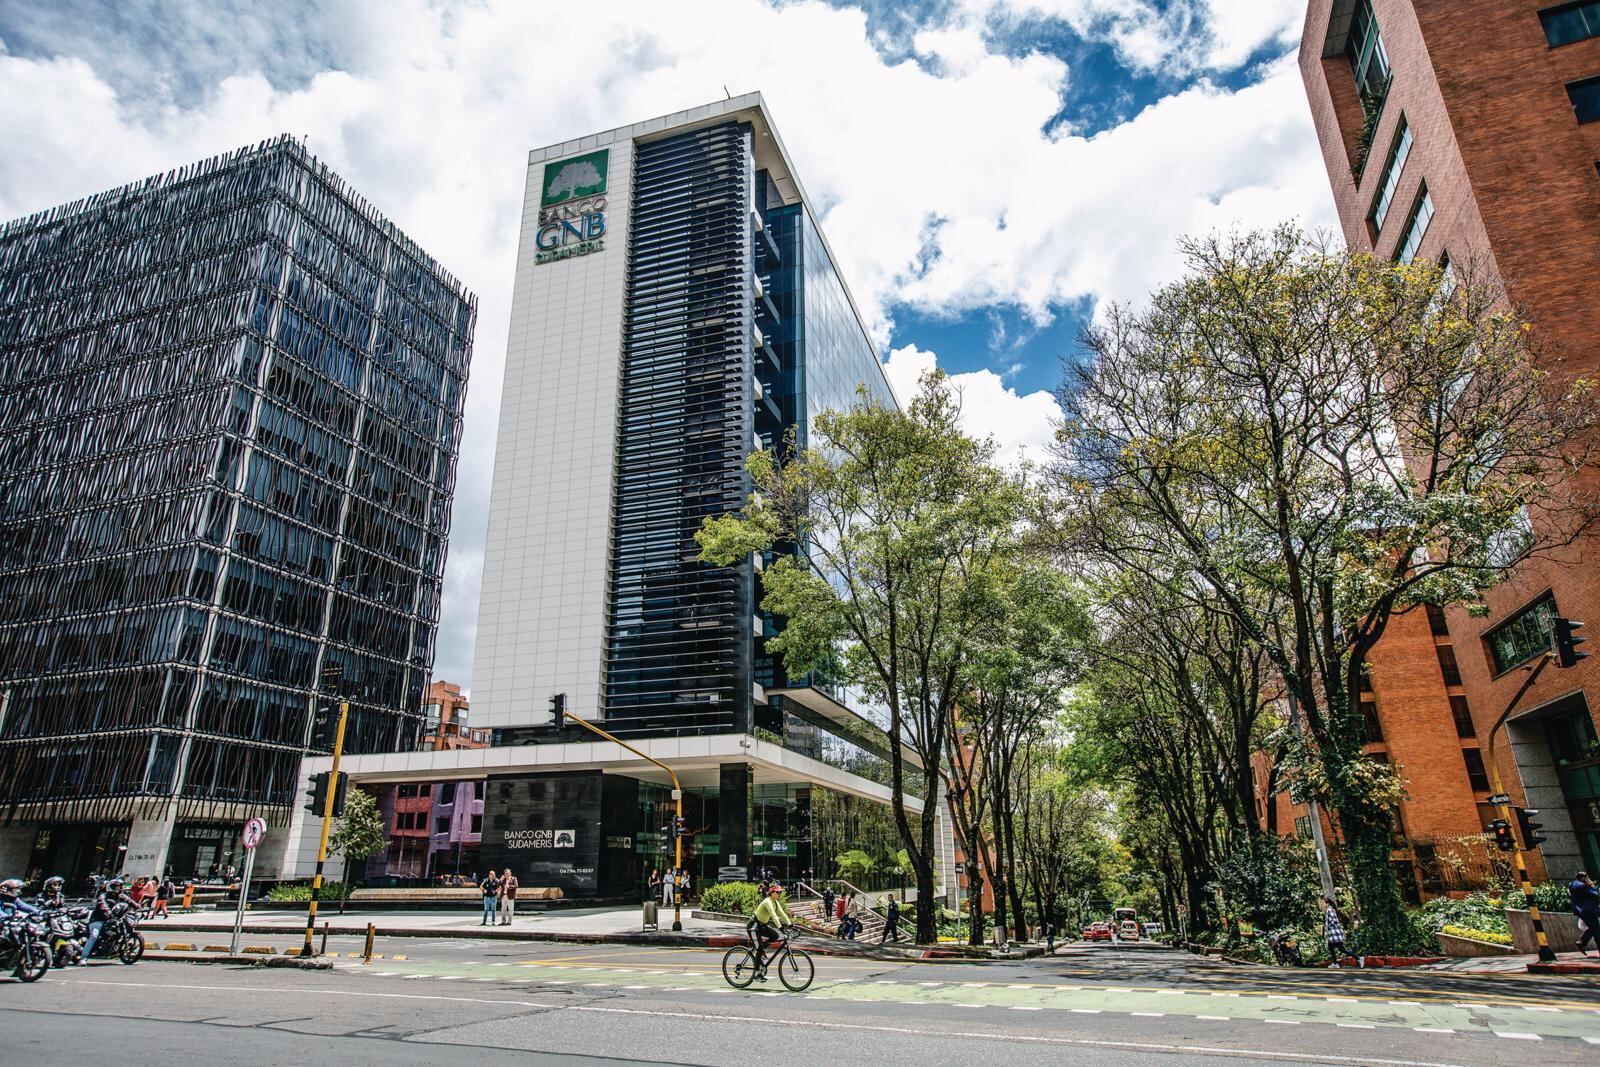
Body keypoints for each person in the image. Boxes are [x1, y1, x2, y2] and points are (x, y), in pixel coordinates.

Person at [751, 883, 793, 980]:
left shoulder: (775, 902)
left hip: (763, 926)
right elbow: (774, 916)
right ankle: (757, 974)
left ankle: (760, 952)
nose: (780, 894)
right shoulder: (767, 901)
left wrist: (791, 924)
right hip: (754, 925)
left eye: (780, 892)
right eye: (778, 892)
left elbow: (782, 913)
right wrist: (781, 928)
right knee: (760, 948)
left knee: (775, 936)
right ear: (772, 893)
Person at [85, 877, 133, 960]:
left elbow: (130, 901)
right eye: (116, 886)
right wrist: (108, 912)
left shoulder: (120, 896)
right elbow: (103, 905)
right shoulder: (103, 896)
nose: (118, 888)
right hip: (98, 919)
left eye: (119, 887)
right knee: (94, 936)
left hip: (112, 919)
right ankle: (83, 958)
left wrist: (139, 907)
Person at [1569, 871, 1600, 955]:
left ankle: (1582, 942)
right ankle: (1582, 942)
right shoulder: (1583, 885)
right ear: (1583, 878)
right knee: (1597, 929)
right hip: (1589, 911)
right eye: (1587, 878)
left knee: (1592, 928)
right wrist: (1592, 886)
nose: (1588, 879)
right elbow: (1596, 895)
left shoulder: (1572, 885)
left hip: (1581, 911)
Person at [1322, 896, 1347, 967]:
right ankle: (1335, 963)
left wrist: (1328, 928)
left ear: (1327, 903)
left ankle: (1335, 963)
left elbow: (1334, 920)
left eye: (1323, 903)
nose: (1323, 904)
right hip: (1333, 933)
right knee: (1340, 949)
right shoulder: (1330, 909)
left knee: (1332, 947)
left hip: (1334, 933)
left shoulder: (1330, 910)